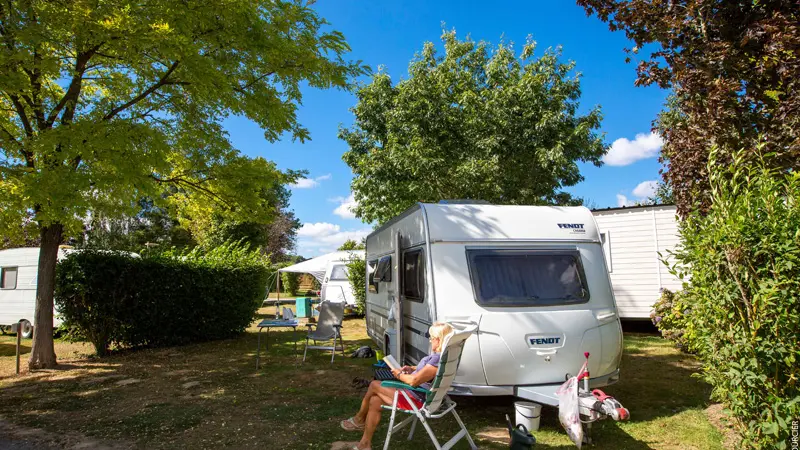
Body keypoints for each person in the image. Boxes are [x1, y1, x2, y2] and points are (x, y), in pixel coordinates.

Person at [335, 322, 454, 450]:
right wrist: (412, 368)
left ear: (439, 339)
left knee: (374, 384)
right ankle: (364, 444)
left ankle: (359, 420)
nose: (430, 341)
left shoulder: (436, 359)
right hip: (419, 395)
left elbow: (414, 381)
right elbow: (425, 373)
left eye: (432, 338)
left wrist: (398, 375)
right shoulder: (443, 357)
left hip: (417, 400)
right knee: (375, 400)